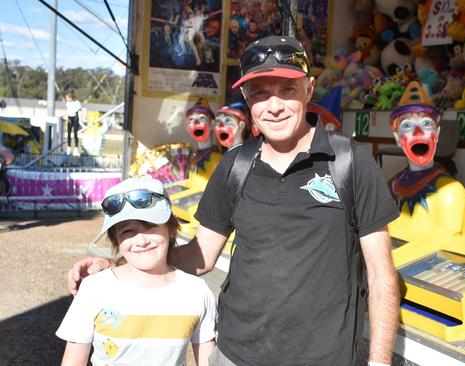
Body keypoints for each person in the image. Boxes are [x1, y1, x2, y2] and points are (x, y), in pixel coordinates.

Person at [69, 36, 400, 366]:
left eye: (287, 90)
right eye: (260, 93)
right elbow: (200, 257)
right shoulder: (235, 165)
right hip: (235, 354)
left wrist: (380, 362)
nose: (274, 106)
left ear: (309, 89)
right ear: (247, 98)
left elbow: (380, 272)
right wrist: (116, 269)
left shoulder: (349, 162)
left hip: (324, 358)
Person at [56, 178, 216, 366]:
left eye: (150, 226)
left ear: (171, 228)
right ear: (116, 239)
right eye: (127, 231)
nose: (141, 240)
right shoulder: (94, 288)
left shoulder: (197, 291)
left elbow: (207, 360)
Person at [387, 81, 465, 242]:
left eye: (426, 123)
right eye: (407, 125)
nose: (418, 132)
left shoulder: (450, 192)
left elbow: (449, 254)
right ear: (397, 138)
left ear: (436, 134)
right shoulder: (392, 185)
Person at [63, 92, 82, 156]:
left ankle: (76, 148)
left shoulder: (76, 102)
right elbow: (68, 111)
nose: (66, 99)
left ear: (70, 97)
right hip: (70, 118)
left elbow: (80, 110)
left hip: (75, 118)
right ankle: (69, 147)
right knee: (68, 133)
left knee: (75, 133)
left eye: (67, 97)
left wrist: (83, 118)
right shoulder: (67, 103)